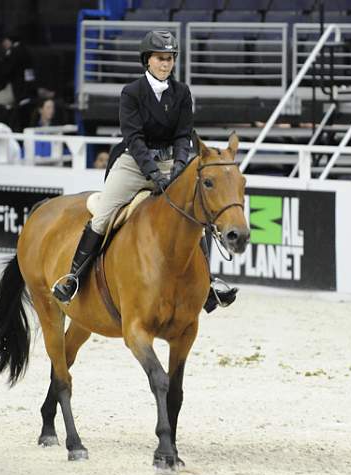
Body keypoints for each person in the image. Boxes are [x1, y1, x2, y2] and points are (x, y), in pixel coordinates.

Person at [52, 30, 237, 313]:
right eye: (160, 58)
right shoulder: (132, 92)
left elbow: (183, 135)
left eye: (170, 58)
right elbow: (134, 138)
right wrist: (154, 173)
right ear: (147, 60)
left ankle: (208, 284)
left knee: (196, 217)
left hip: (169, 164)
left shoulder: (182, 93)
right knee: (102, 217)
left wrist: (177, 166)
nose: (165, 64)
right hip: (134, 164)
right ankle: (73, 278)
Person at [0, 31, 37, 127]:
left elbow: (5, 72)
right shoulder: (25, 51)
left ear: (9, 40)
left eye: (4, 41)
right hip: (26, 92)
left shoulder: (14, 52)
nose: (3, 44)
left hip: (15, 90)